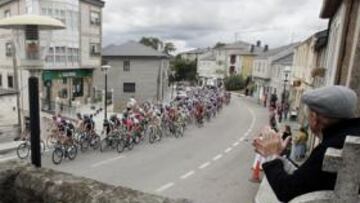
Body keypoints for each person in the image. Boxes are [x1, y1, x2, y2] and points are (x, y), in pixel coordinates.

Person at [253, 85, 360, 202]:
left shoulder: (329, 148)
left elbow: (287, 190)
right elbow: (305, 178)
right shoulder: (351, 136)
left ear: (314, 118)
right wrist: (279, 157)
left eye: (307, 115)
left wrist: (271, 156)